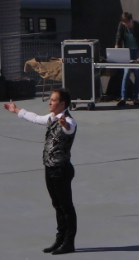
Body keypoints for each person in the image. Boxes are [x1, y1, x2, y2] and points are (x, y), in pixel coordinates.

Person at [4, 89, 78, 254]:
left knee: (66, 206)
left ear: (62, 104)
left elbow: (69, 129)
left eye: (53, 100)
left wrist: (64, 124)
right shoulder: (51, 118)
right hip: (50, 168)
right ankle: (60, 239)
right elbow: (36, 118)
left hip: (61, 169)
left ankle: (69, 242)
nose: (49, 102)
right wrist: (16, 110)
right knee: (57, 205)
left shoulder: (69, 121)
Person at [114, 12, 139, 105]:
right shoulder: (122, 25)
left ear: (131, 20)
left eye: (128, 23)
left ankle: (135, 97)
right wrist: (117, 52)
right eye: (125, 24)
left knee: (137, 73)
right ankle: (123, 97)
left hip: (136, 50)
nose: (127, 25)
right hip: (126, 51)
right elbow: (118, 38)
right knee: (126, 73)